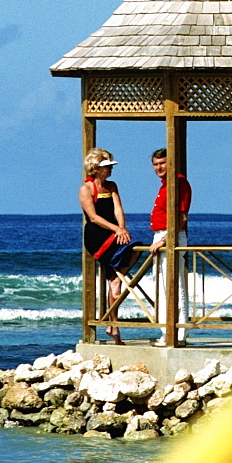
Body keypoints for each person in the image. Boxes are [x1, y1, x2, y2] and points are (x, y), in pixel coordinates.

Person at [79, 147, 139, 345]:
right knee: (115, 280)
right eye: (106, 167)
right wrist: (116, 230)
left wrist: (122, 228)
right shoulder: (86, 189)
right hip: (98, 237)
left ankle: (113, 325)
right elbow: (94, 217)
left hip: (114, 234)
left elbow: (118, 209)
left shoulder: (112, 186)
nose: (110, 170)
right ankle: (113, 325)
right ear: (96, 168)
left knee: (116, 281)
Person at [148, 148, 191, 347]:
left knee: (175, 286)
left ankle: (179, 333)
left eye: (162, 163)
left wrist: (165, 240)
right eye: (156, 164)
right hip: (161, 236)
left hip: (170, 237)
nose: (159, 167)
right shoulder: (165, 184)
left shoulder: (179, 183)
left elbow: (181, 217)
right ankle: (167, 331)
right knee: (162, 286)